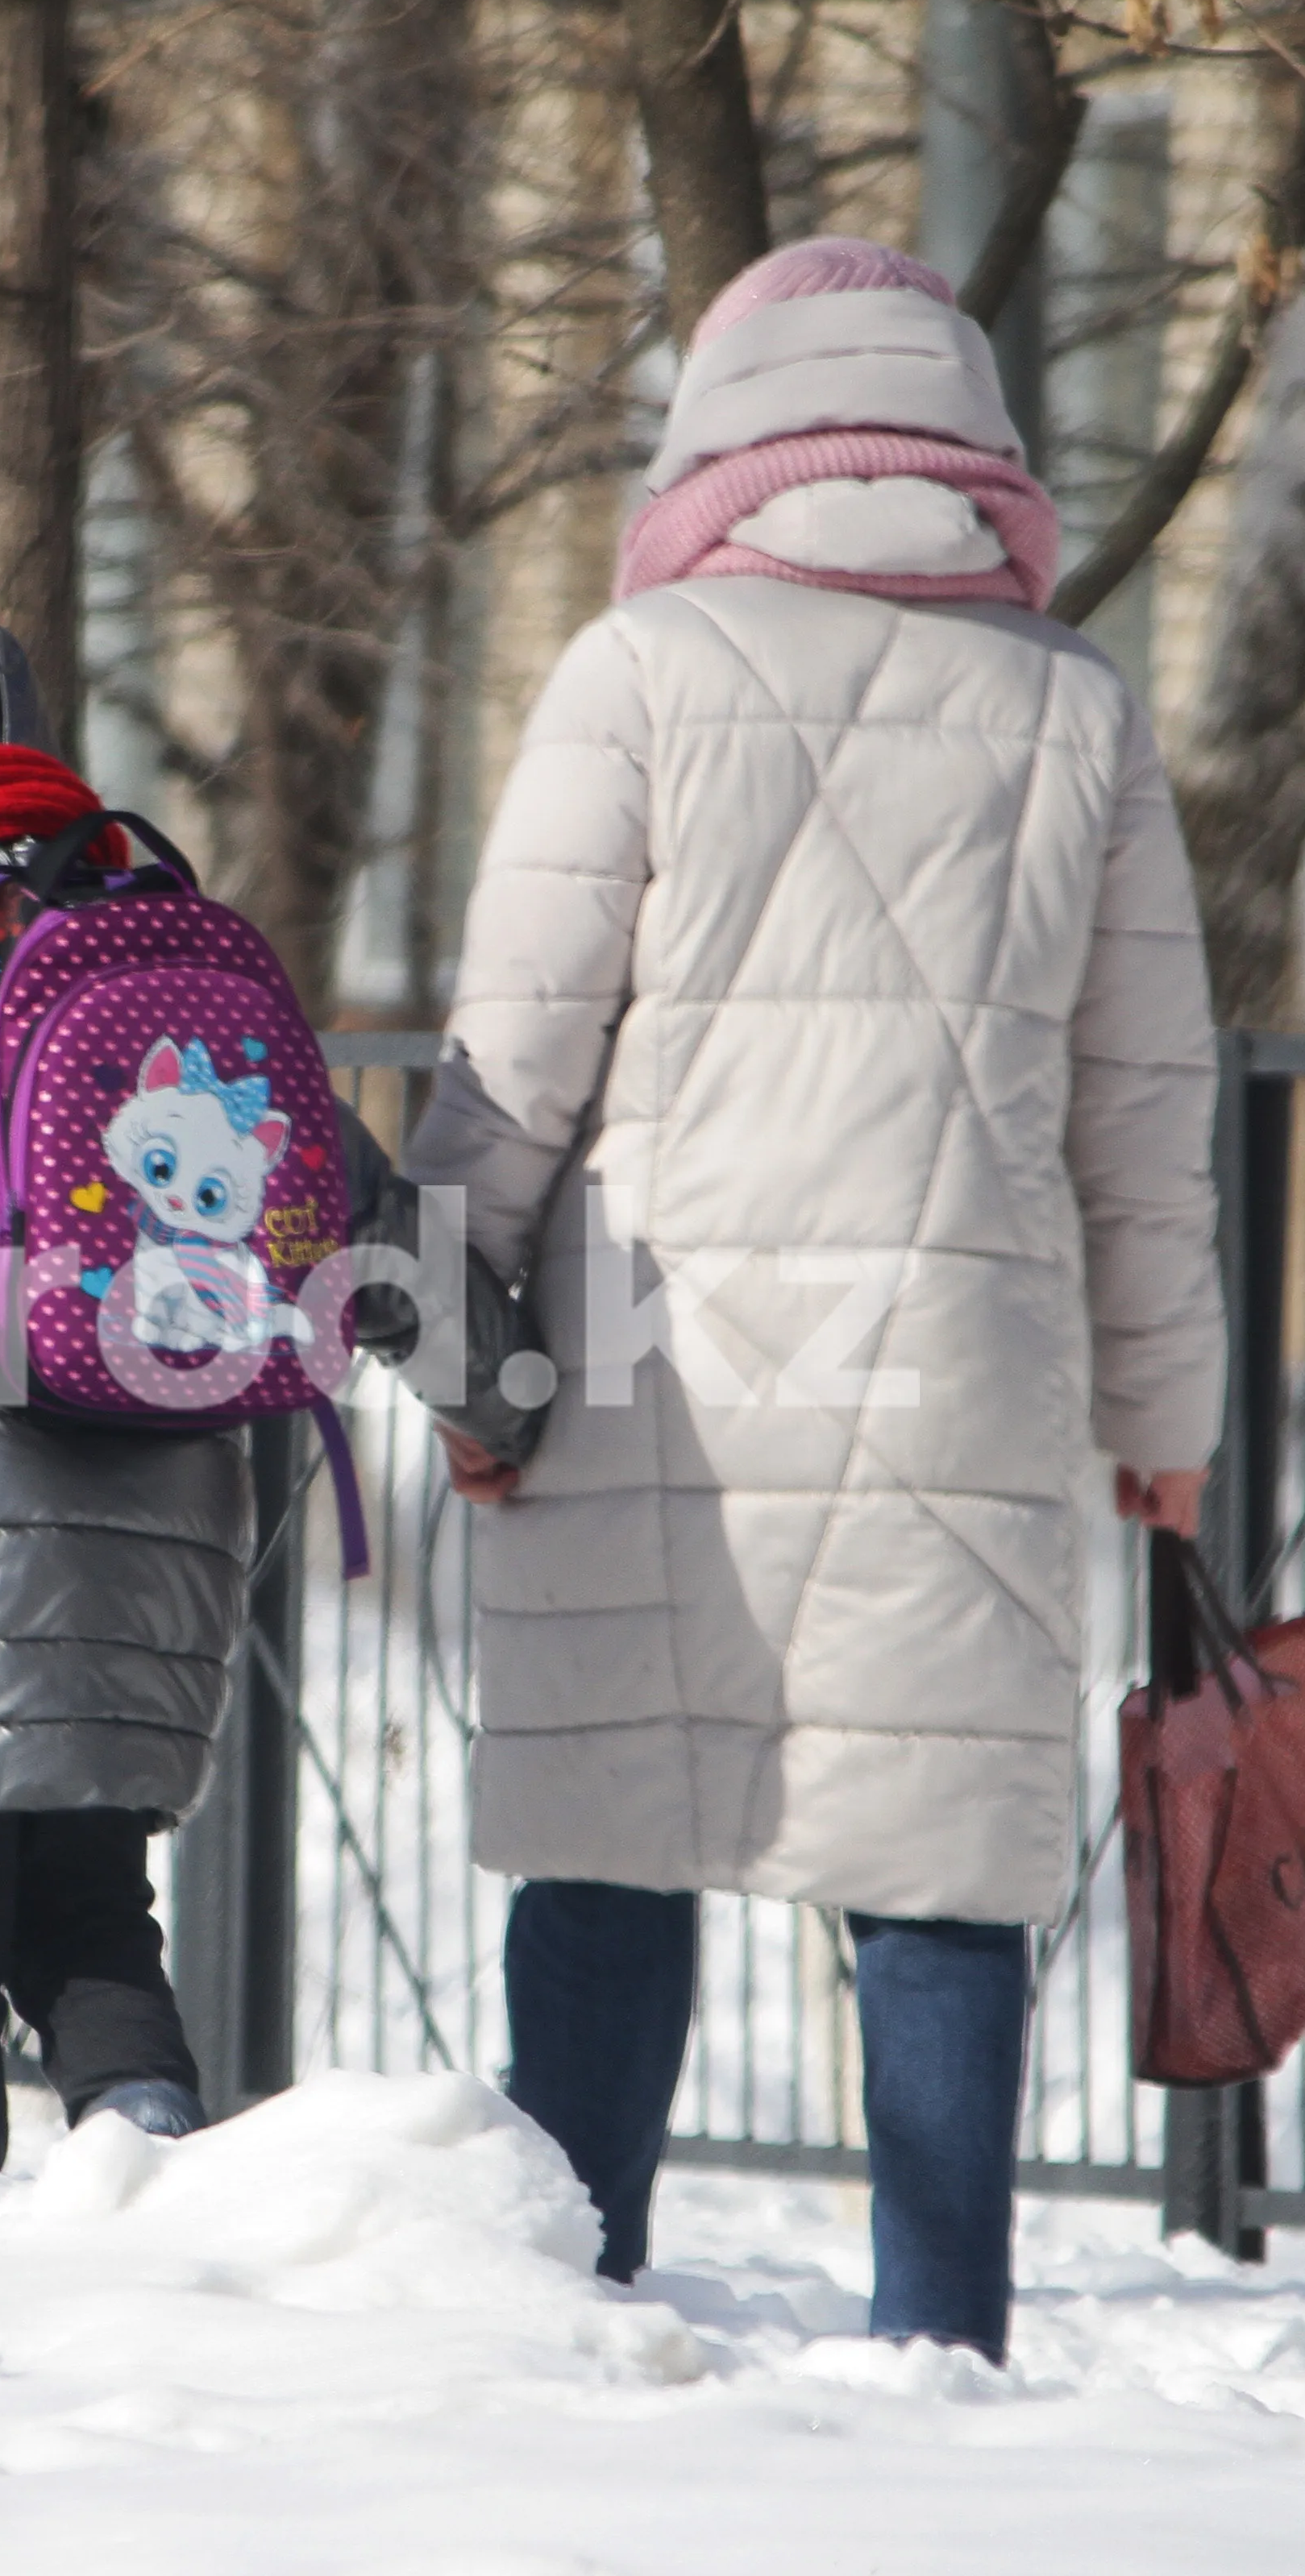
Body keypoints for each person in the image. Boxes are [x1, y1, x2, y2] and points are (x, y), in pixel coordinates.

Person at [402, 239, 1224, 2360]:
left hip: (649, 1357)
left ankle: (573, 2317)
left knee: (612, 1847)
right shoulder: (1076, 707)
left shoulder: (639, 669)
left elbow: (517, 1059)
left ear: (721, 436)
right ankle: (941, 2353)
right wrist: (1165, 1414)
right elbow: (1144, 1112)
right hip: (960, 1361)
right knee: (934, 1866)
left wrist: (465, 1365)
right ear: (975, 446)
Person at [0, 616, 537, 2170]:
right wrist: (497, 1408)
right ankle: (146, 2194)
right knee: (95, 1924)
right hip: (168, 1523)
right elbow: (362, 1207)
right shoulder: (158, 927)